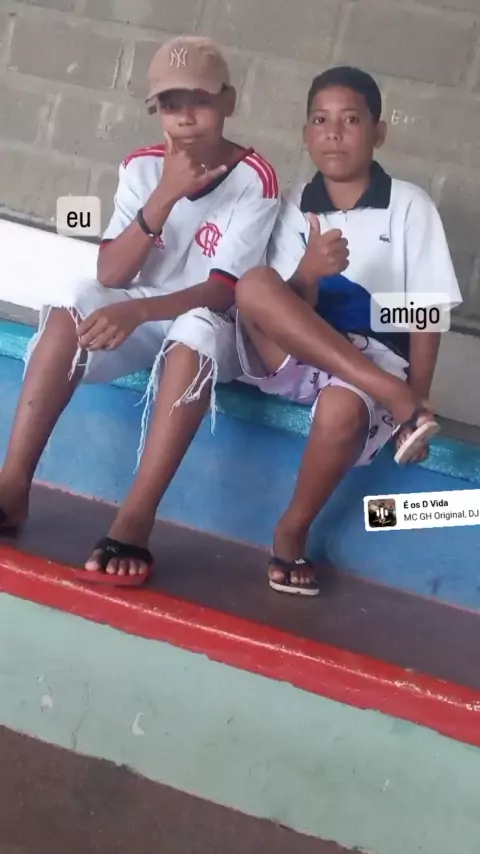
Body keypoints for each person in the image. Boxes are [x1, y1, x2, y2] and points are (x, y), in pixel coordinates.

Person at [0, 35, 280, 586]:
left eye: (200, 101)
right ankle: (11, 487)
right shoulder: (142, 167)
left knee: (196, 331)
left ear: (229, 101)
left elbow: (222, 292)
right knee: (72, 298)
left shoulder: (256, 178)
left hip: (208, 324)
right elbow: (110, 275)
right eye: (171, 105)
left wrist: (141, 312)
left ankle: (136, 517)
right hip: (141, 315)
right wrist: (164, 196)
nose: (185, 118)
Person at [235, 66, 462, 596]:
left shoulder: (409, 205)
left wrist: (418, 396)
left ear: (378, 132)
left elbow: (425, 311)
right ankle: (389, 393)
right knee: (255, 284)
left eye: (351, 120)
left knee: (341, 411)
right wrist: (308, 274)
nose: (333, 133)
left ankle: (292, 531)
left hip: (369, 361)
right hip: (298, 354)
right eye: (320, 120)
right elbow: (283, 308)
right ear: (305, 133)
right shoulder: (293, 204)